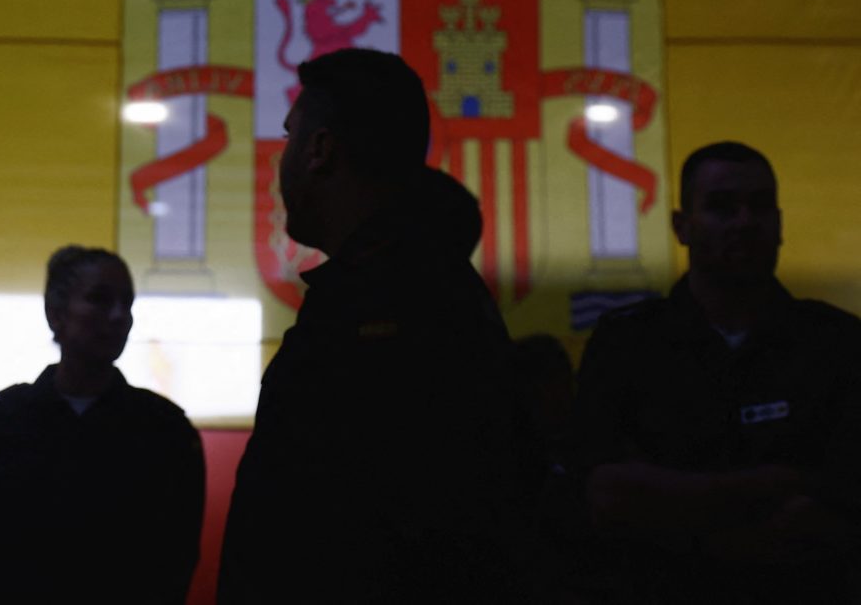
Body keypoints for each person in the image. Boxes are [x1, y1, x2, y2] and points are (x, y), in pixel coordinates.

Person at [218, 48, 530, 604]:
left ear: (320, 150)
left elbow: (342, 528)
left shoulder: (390, 305)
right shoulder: (415, 287)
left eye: (290, 138)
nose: (279, 161)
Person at [567, 141, 861, 603]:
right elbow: (600, 495)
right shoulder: (626, 345)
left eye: (760, 206)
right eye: (723, 207)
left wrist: (679, 504)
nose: (745, 222)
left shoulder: (839, 343)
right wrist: (773, 486)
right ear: (682, 227)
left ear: (780, 224)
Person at [0, 245, 205, 605]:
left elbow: (176, 558)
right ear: (55, 313)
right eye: (99, 299)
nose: (118, 315)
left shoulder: (167, 432)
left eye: (127, 302)